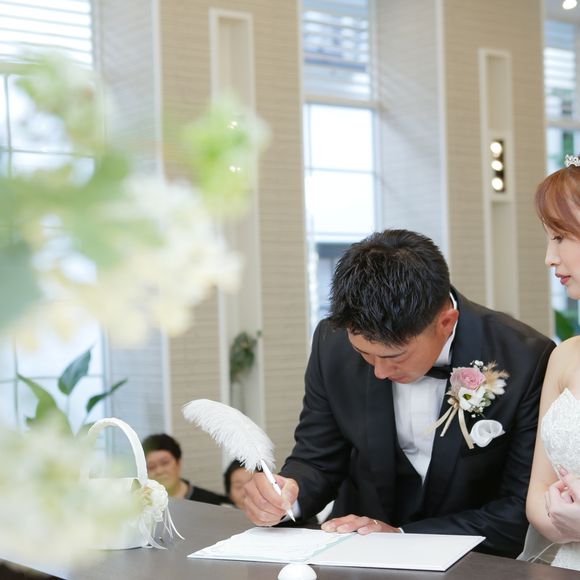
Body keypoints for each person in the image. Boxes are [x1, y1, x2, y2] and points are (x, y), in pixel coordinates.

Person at [242, 229, 555, 558]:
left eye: (395, 357)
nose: (379, 372)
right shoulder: (331, 344)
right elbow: (317, 459)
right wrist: (288, 492)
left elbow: (518, 508)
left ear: (446, 323)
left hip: (472, 564)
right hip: (354, 556)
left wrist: (402, 537)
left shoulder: (524, 359)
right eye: (364, 354)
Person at [524, 156, 580, 570]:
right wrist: (560, 519)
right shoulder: (563, 356)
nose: (549, 257)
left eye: (560, 237)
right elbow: (537, 493)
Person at [143, 433, 229, 505]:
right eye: (151, 467)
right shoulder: (143, 504)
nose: (159, 471)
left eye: (165, 463)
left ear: (178, 463)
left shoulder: (209, 501)